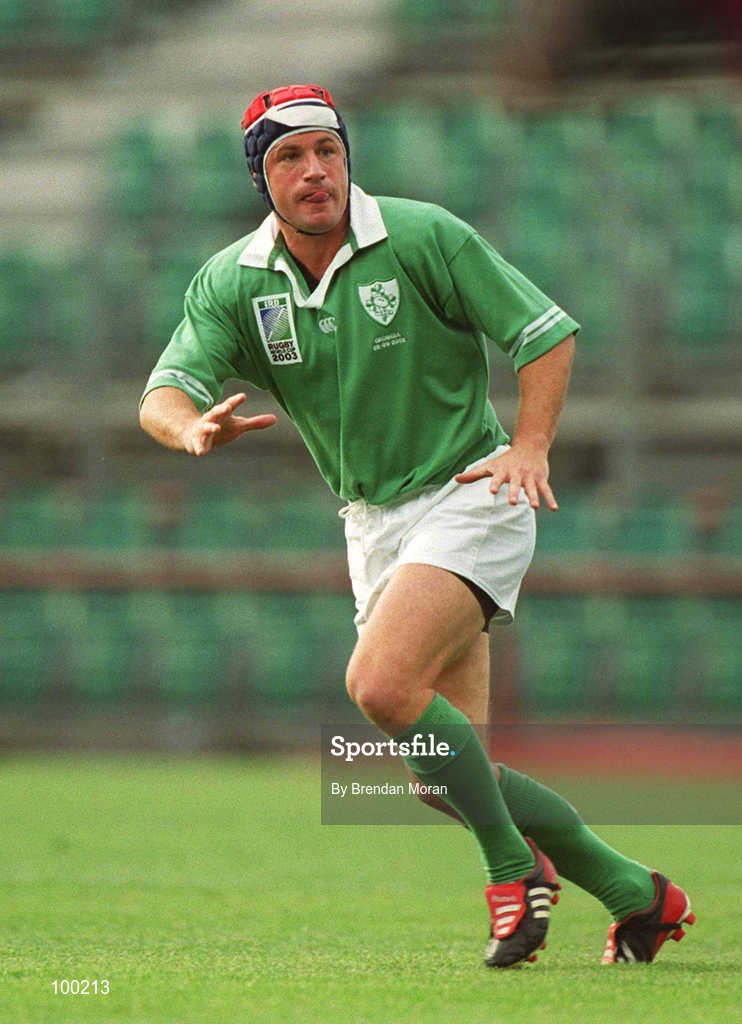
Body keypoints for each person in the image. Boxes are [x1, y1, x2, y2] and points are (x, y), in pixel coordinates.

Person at [139, 83, 694, 968]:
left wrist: (531, 446)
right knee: (443, 777)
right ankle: (640, 892)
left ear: (347, 157)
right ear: (260, 177)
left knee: (380, 687)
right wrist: (191, 427)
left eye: (327, 150)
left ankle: (515, 872)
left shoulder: (424, 235)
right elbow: (163, 394)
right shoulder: (234, 282)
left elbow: (545, 334)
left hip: (471, 490)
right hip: (373, 523)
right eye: (288, 157)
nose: (315, 171)